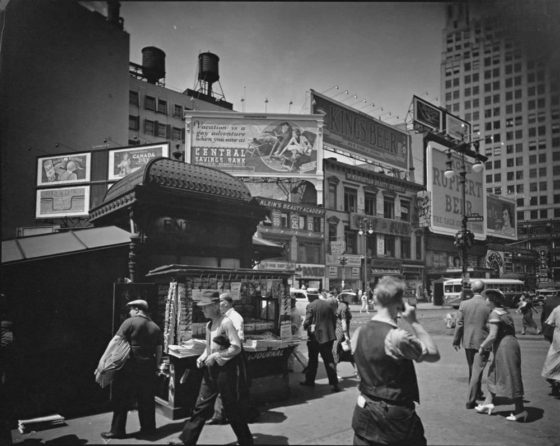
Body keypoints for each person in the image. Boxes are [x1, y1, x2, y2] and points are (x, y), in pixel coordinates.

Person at [350, 276, 440, 446]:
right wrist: (414, 321)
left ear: (374, 300)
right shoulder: (397, 337)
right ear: (400, 302)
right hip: (394, 418)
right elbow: (434, 354)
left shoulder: (359, 332)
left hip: (364, 411)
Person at [170, 292, 253, 446]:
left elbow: (236, 347)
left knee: (231, 407)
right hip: (210, 372)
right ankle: (186, 441)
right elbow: (209, 348)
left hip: (226, 372)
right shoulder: (209, 325)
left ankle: (246, 440)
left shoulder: (226, 323)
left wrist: (216, 357)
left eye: (205, 307)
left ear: (216, 306)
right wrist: (202, 357)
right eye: (202, 307)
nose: (203, 310)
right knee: (200, 406)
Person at [101, 299, 162, 440]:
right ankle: (148, 429)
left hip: (130, 366)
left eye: (131, 309)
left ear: (137, 309)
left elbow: (116, 340)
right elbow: (159, 350)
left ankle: (117, 430)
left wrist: (104, 358)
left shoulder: (130, 322)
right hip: (148, 366)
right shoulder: (155, 327)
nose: (129, 312)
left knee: (121, 398)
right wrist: (157, 366)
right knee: (146, 399)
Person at [476, 289, 527, 422]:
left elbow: (492, 336)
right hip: (510, 343)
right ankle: (488, 402)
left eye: (487, 298)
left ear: (492, 300)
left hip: (505, 346)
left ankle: (520, 410)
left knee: (511, 376)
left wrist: (482, 346)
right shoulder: (504, 312)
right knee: (494, 373)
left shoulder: (494, 314)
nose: (485, 300)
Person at [207, 292, 249, 425]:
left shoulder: (234, 318)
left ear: (225, 303)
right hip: (220, 357)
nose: (218, 305)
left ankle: (227, 416)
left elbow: (238, 340)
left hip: (230, 356)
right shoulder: (221, 318)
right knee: (220, 389)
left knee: (227, 392)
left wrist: (221, 349)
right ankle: (219, 414)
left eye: (219, 302)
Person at [452, 280, 492, 409]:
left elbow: (459, 323)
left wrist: (456, 340)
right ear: (483, 289)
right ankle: (471, 400)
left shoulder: (464, 303)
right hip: (483, 341)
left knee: (473, 369)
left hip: (468, 341)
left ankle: (477, 392)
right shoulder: (488, 305)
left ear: (471, 289)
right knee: (477, 369)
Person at [301, 291, 340, 392]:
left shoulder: (311, 305)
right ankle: (334, 384)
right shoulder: (328, 305)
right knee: (329, 360)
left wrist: (305, 326)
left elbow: (308, 320)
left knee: (313, 360)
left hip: (315, 338)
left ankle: (310, 380)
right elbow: (334, 320)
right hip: (328, 337)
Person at [333, 294, 357, 378]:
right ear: (345, 297)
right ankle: (334, 373)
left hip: (340, 332)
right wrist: (346, 335)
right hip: (341, 333)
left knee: (346, 351)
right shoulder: (344, 306)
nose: (351, 298)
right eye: (350, 296)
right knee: (338, 350)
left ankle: (356, 371)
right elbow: (343, 321)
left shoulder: (343, 305)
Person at [541, 304, 560, 396]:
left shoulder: (557, 309)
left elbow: (550, 323)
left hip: (557, 341)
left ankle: (555, 383)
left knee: (550, 366)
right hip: (557, 341)